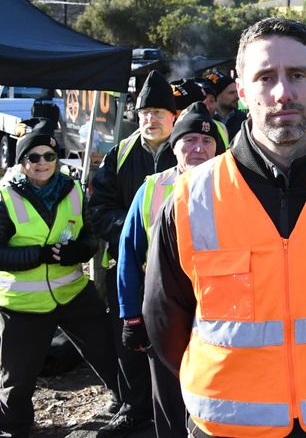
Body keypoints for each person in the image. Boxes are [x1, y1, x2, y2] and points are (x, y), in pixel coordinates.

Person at [144, 17, 306, 438]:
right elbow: (165, 319)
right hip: (226, 425)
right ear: (241, 89)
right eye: (265, 77)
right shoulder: (189, 198)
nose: (283, 93)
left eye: (297, 75)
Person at [0, 125, 121, 438]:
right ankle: (15, 428)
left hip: (73, 293)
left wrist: (78, 251)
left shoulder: (73, 189)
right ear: (21, 161)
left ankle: (129, 405)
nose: (42, 162)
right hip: (23, 304)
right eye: (33, 157)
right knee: (17, 379)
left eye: (49, 155)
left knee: (108, 350)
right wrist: (36, 256)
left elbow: (90, 236)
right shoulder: (5, 196)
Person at [117, 103, 224, 438]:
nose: (198, 148)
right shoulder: (150, 190)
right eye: (189, 140)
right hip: (163, 311)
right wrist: (131, 317)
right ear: (174, 146)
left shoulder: (235, 189)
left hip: (219, 313)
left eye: (207, 143)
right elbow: (128, 257)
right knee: (168, 397)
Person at [90, 69, 178, 436]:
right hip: (129, 268)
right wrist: (129, 232)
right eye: (144, 113)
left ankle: (175, 409)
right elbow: (98, 208)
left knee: (174, 336)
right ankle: (134, 405)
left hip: (178, 270)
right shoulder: (119, 154)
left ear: (174, 117)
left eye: (158, 113)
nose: (150, 120)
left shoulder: (191, 146)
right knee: (127, 336)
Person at [205, 71, 247, 141]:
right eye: (231, 93)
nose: (237, 96)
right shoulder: (206, 120)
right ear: (217, 96)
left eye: (237, 92)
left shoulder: (244, 119)